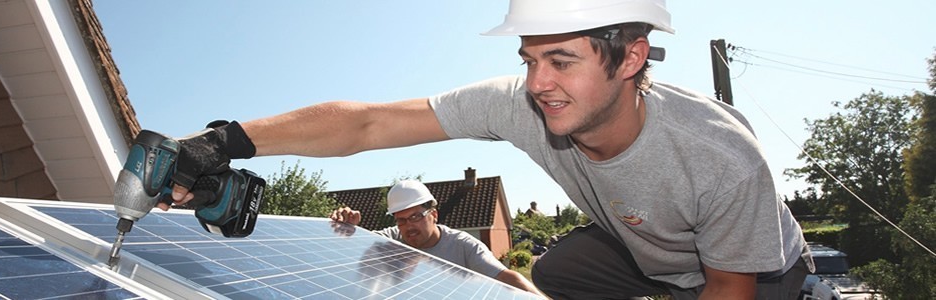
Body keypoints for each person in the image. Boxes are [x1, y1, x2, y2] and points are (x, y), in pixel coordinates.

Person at [163, 0, 813, 299]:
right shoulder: (520, 101)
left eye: (561, 60)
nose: (538, 84)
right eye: (528, 59)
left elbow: (731, 287)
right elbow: (364, 124)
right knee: (557, 276)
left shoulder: (716, 153)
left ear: (631, 58)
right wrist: (226, 141)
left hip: (758, 276)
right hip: (648, 253)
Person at [329, 180, 542, 295]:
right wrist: (347, 229)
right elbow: (352, 248)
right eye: (401, 220)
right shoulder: (392, 239)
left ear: (434, 215)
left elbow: (507, 278)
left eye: (415, 217)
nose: (408, 226)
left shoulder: (463, 246)